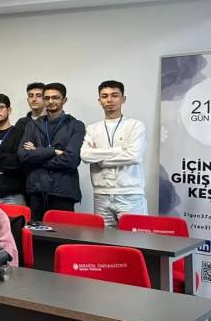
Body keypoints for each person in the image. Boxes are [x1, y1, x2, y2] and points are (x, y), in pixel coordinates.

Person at [80, 80, 147, 227]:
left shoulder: (135, 125)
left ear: (123, 99)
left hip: (130, 194)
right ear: (99, 100)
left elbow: (134, 156)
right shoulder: (92, 128)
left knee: (135, 238)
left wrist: (100, 159)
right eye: (104, 96)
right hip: (101, 194)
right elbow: (85, 155)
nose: (109, 100)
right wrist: (119, 150)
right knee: (104, 239)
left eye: (114, 95)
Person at [18, 82, 86, 221]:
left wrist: (37, 154)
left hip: (63, 191)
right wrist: (53, 151)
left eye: (55, 97)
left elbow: (71, 160)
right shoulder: (33, 125)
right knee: (36, 233)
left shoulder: (76, 125)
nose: (50, 101)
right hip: (37, 189)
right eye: (47, 98)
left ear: (64, 100)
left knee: (63, 232)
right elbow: (23, 155)